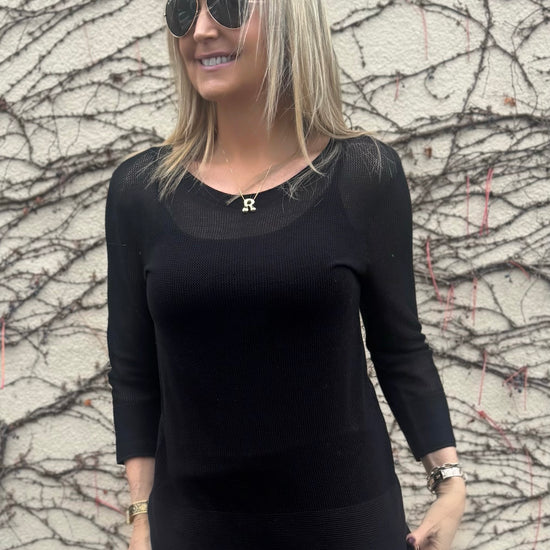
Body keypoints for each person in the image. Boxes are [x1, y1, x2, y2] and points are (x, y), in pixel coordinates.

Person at [105, 1, 466, 549]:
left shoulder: (364, 175)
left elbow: (399, 346)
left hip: (347, 525)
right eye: (183, 11)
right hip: (195, 528)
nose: (201, 29)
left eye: (227, 5)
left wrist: (449, 482)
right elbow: (134, 370)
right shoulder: (140, 191)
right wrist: (140, 518)